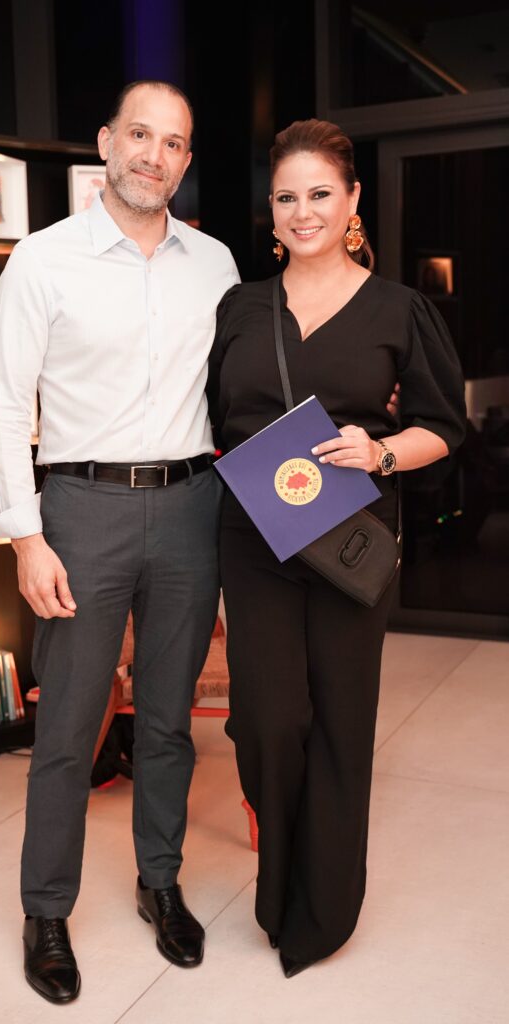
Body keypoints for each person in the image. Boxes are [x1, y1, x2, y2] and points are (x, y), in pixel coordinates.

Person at [0, 80, 239, 1004]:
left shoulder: (214, 263)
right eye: (139, 135)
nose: (153, 155)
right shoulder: (42, 260)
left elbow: (241, 389)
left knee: (166, 721)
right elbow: (6, 406)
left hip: (192, 504)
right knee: (69, 725)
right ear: (106, 142)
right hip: (81, 509)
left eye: (173, 142)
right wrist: (25, 539)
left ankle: (158, 882)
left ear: (185, 160)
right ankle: (45, 911)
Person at [207, 119, 466, 978]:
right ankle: (278, 877)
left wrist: (380, 451)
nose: (302, 211)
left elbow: (442, 426)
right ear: (270, 209)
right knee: (267, 720)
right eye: (286, 197)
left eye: (320, 193)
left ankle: (320, 909)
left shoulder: (398, 308)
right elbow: (211, 416)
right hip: (253, 537)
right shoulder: (240, 307)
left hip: (348, 537)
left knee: (341, 719)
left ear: (352, 200)